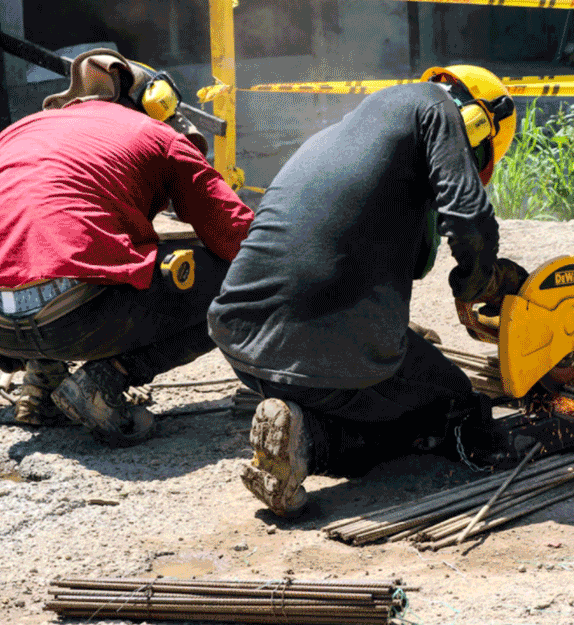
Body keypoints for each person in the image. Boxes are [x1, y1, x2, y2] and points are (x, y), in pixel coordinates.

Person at [208, 65, 529, 518]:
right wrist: (482, 282)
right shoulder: (438, 110)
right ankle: (311, 443)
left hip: (242, 343)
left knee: (383, 373)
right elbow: (470, 222)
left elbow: (411, 262)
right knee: (452, 404)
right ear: (477, 126)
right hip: (321, 351)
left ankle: (294, 423)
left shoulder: (351, 129)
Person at [0, 48, 254, 447]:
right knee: (233, 278)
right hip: (75, 319)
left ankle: (42, 377)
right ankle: (107, 378)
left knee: (46, 249)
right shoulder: (159, 135)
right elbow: (237, 237)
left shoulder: (18, 131)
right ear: (153, 105)